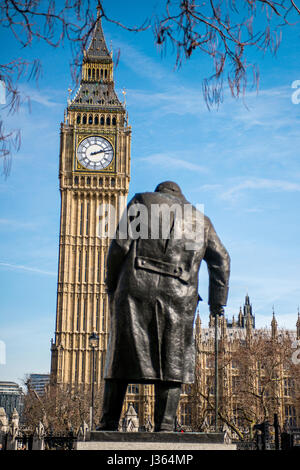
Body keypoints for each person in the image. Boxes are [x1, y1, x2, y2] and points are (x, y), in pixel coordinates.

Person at [98, 181, 230, 432]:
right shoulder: (199, 219)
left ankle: (108, 422)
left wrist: (112, 284)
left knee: (121, 356)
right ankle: (166, 425)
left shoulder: (143, 202)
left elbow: (119, 246)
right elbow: (222, 259)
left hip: (135, 287)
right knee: (174, 360)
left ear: (160, 193)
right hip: (179, 294)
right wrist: (217, 303)